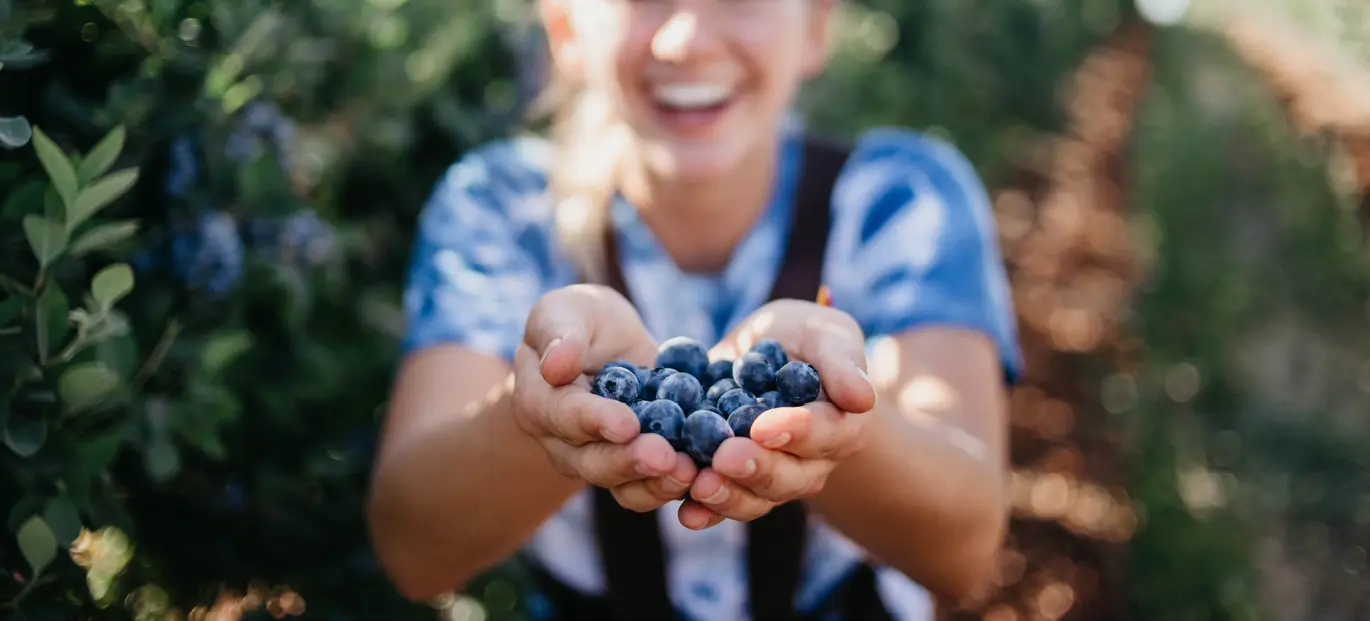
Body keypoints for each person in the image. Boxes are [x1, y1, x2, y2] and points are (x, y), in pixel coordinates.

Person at [366, 0, 1023, 619]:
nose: (686, 39)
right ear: (565, 27)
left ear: (815, 24)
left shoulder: (902, 203)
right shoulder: (500, 211)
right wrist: (544, 413)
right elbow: (413, 551)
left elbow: (964, 554)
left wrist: (840, 426)